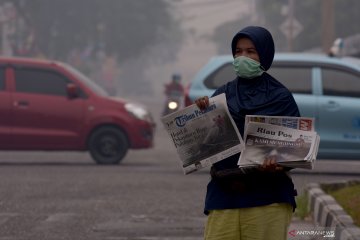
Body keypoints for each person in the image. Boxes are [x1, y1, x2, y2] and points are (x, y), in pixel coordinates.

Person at [195, 26, 300, 240]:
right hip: (224, 195)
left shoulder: (281, 97)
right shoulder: (222, 94)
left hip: (267, 198)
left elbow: (295, 148)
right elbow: (205, 146)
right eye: (238, 52)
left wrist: (278, 162)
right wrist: (201, 117)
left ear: (265, 53)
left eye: (251, 51)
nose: (243, 57)